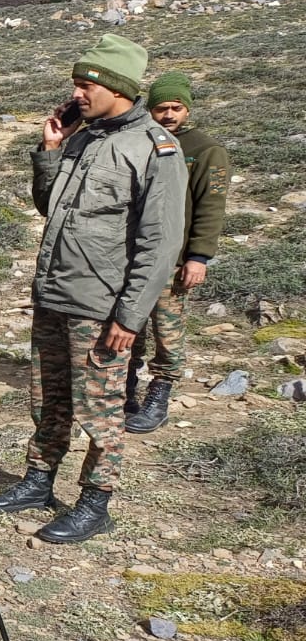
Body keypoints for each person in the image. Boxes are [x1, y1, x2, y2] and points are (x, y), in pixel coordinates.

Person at [0, 34, 187, 543]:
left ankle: (96, 502)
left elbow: (161, 245)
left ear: (115, 87)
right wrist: (50, 148)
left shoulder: (155, 149)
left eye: (84, 86)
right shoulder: (85, 137)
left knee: (101, 408)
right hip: (55, 294)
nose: (76, 96)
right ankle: (38, 480)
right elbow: (53, 208)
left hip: (101, 306)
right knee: (49, 398)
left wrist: (130, 317)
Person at [124, 72, 230, 434]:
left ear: (187, 108)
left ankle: (160, 392)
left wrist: (199, 256)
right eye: (160, 108)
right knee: (128, 324)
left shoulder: (204, 149)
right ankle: (125, 391)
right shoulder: (140, 141)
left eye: (176, 107)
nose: (168, 115)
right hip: (132, 256)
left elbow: (211, 207)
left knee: (167, 329)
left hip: (175, 259)